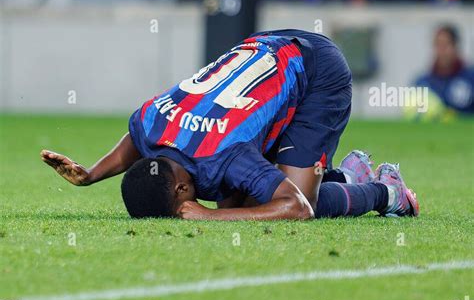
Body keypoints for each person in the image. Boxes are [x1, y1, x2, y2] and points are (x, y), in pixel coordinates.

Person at [41, 29, 419, 221]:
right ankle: (346, 174)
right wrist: (91, 174)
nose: (187, 209)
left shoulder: (225, 156)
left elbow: (295, 207)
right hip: (266, 47)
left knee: (303, 201)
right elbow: (135, 139)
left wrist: (213, 215)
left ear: (182, 186)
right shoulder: (153, 123)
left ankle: (387, 192)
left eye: (181, 206)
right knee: (244, 196)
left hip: (318, 70)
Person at [414, 26, 474, 115]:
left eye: (446, 45)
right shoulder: (423, 82)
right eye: (438, 45)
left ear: (455, 46)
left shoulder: (470, 78)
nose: (442, 50)